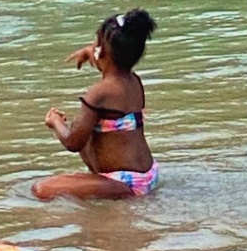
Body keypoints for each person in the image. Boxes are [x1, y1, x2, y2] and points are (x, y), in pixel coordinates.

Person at [32, 10, 158, 200]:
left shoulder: (100, 93)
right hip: (148, 174)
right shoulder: (133, 81)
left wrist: (55, 122)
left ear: (103, 52)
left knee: (41, 189)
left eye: (95, 44)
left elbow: (73, 142)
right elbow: (111, 59)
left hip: (125, 183)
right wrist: (90, 51)